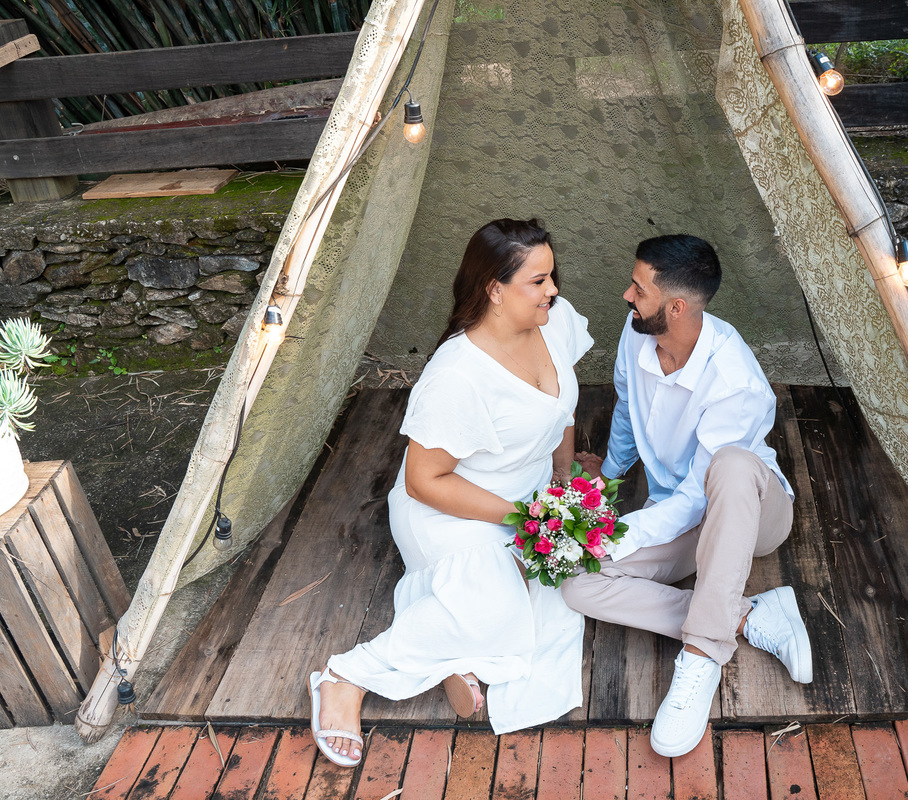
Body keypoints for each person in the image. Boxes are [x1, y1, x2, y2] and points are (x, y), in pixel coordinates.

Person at [308, 219, 593, 767]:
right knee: (499, 610)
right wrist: (525, 516)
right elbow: (424, 481)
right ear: (494, 289)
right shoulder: (457, 375)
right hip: (452, 508)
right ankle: (346, 676)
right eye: (538, 281)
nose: (553, 290)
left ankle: (453, 662)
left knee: (562, 594)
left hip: (528, 497)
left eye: (551, 276)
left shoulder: (553, 323)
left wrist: (561, 485)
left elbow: (563, 410)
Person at [564, 234, 811, 758]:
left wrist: (622, 533)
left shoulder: (734, 379)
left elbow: (700, 497)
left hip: (752, 512)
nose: (627, 295)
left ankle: (701, 656)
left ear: (676, 307)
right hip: (679, 516)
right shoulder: (637, 334)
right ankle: (744, 614)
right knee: (577, 584)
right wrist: (605, 479)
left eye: (638, 287)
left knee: (733, 465)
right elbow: (628, 408)